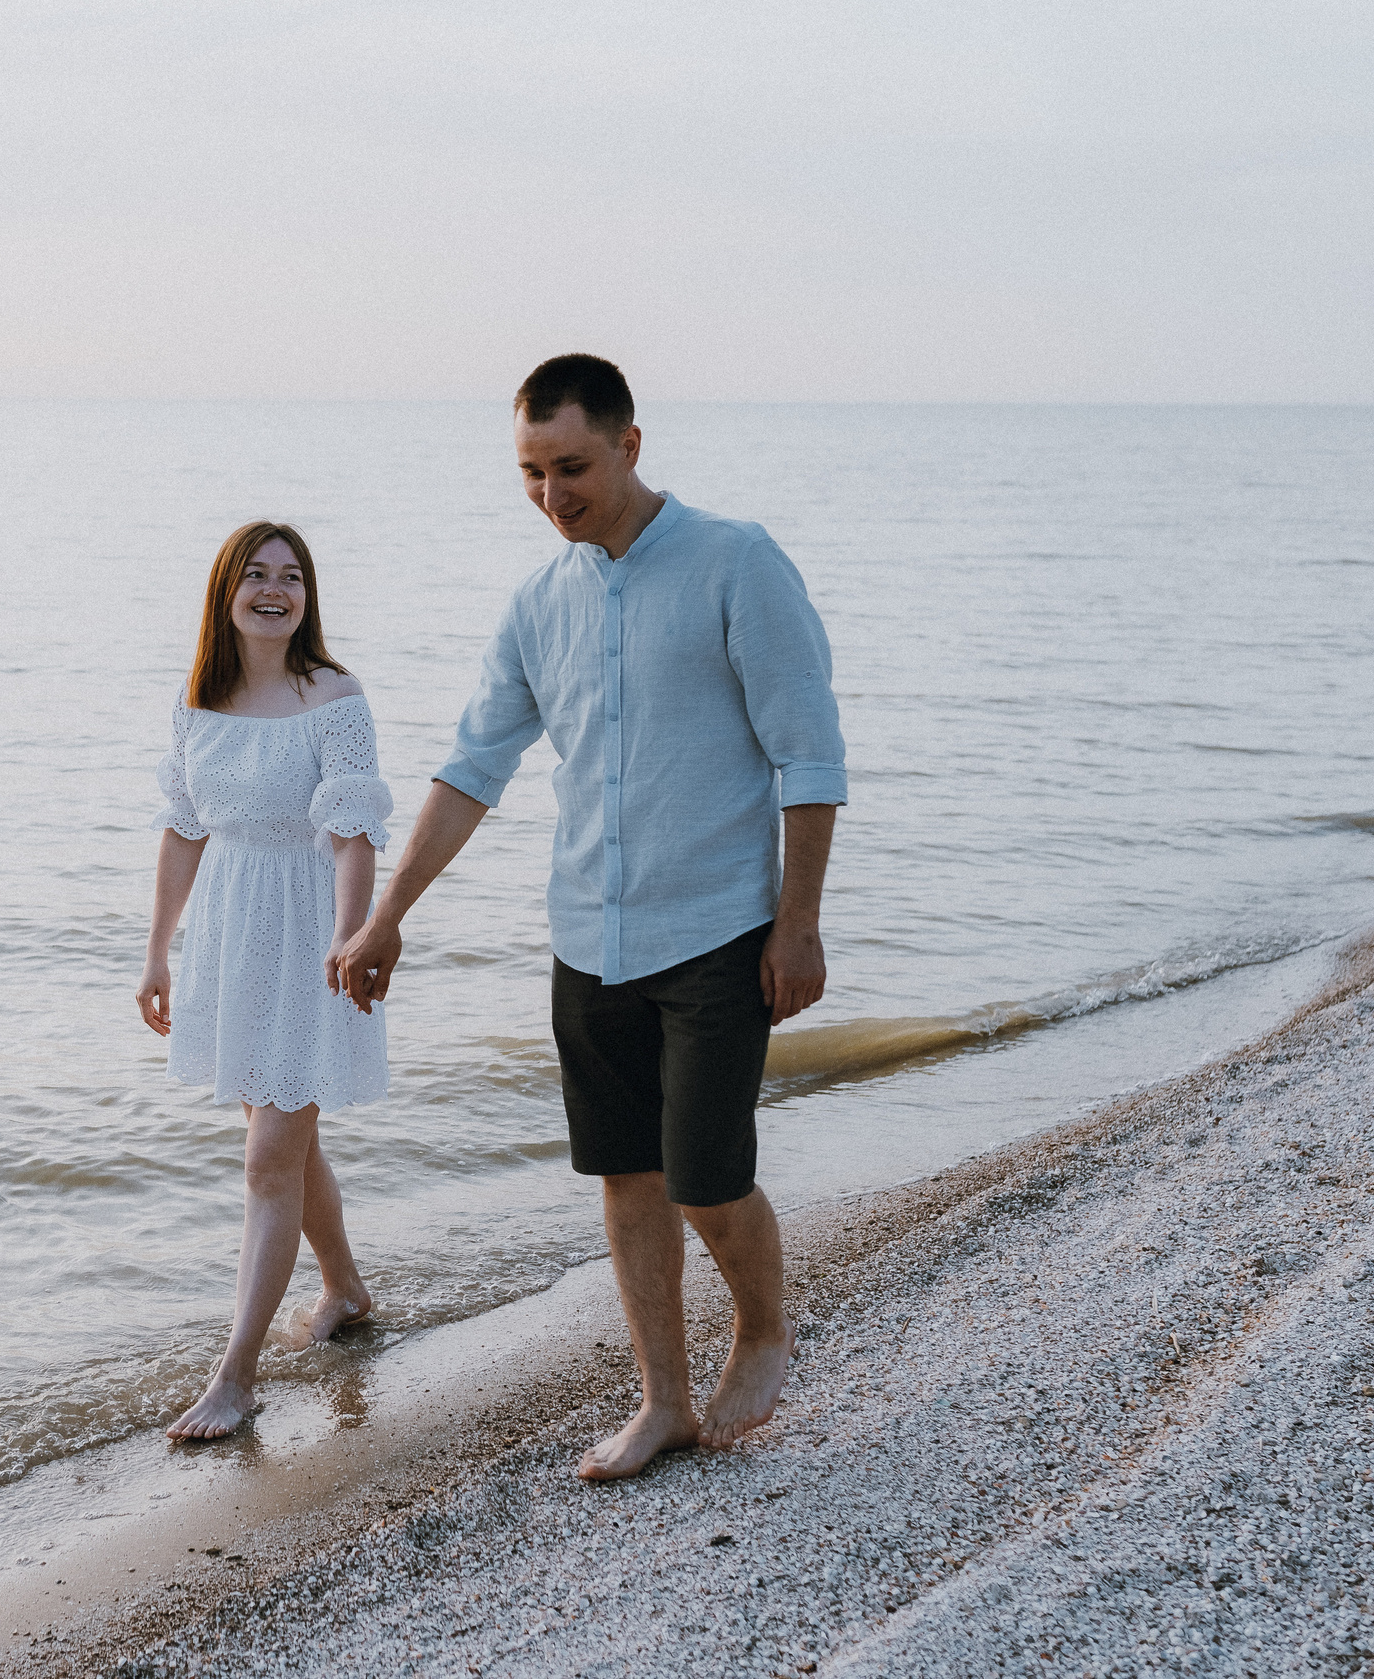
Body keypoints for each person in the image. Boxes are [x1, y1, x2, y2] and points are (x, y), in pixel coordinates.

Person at [327, 354, 846, 1480]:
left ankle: (763, 1329)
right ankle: (662, 1402)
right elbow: (472, 769)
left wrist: (797, 923)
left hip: (717, 928)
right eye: (530, 472)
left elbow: (808, 757)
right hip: (587, 936)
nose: (550, 494)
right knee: (625, 1175)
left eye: (570, 467)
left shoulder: (735, 562)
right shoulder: (536, 604)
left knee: (706, 1174)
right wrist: (386, 915)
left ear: (629, 445)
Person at [138, 520, 393, 1440]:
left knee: (268, 1158)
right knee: (284, 1141)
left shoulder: (335, 697)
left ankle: (235, 1376)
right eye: (256, 574)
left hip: (312, 937)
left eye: (292, 576)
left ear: (308, 596)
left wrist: (351, 934)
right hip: (229, 938)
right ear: (227, 591)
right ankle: (346, 1288)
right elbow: (183, 830)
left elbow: (354, 832)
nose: (275, 590)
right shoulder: (197, 700)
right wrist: (157, 951)